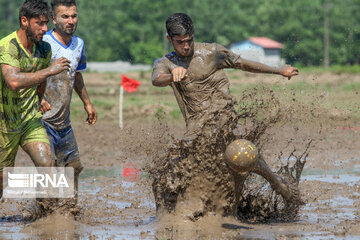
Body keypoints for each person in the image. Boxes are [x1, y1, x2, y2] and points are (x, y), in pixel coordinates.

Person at [151, 13, 300, 218]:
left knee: (246, 157)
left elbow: (244, 64)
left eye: (189, 41)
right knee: (164, 176)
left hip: (224, 122)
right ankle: (165, 218)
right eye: (180, 43)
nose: (185, 47)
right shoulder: (166, 62)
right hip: (196, 133)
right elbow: (156, 79)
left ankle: (281, 187)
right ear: (169, 40)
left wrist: (278, 70)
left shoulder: (212, 52)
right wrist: (171, 76)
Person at [0, 0, 70, 200]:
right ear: (24, 21)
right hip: (4, 123)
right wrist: (50, 70)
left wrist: (39, 98)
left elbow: (41, 80)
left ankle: (48, 213)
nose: (45, 29)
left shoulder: (44, 49)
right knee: (2, 181)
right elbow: (13, 81)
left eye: (46, 23)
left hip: (30, 119)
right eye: (39, 23)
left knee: (47, 164)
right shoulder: (8, 46)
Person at [40, 0, 97, 209]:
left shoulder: (78, 44)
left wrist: (88, 104)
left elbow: (77, 75)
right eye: (65, 17)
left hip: (64, 122)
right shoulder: (43, 43)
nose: (71, 21)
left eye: (74, 16)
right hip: (42, 120)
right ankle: (45, 213)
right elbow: (30, 75)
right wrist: (39, 99)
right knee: (49, 167)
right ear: (54, 19)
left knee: (73, 167)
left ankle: (70, 210)